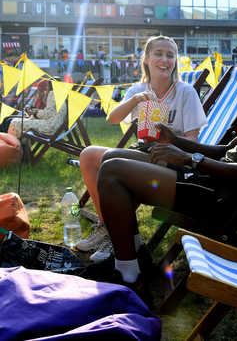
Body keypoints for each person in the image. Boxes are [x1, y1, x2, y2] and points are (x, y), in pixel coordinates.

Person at [95, 33, 237, 290]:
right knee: (111, 157)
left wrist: (189, 159)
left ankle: (128, 275)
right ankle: (134, 253)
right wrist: (176, 141)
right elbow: (227, 150)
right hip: (207, 178)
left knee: (112, 171)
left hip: (216, 194)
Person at [76, 36, 206, 263]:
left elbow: (193, 140)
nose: (164, 59)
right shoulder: (138, 89)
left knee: (109, 165)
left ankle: (117, 235)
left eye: (170, 55)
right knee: (88, 156)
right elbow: (114, 118)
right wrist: (135, 100)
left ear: (175, 61)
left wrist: (169, 140)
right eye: (158, 54)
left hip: (172, 160)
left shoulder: (186, 92)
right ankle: (110, 228)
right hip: (143, 151)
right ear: (146, 59)